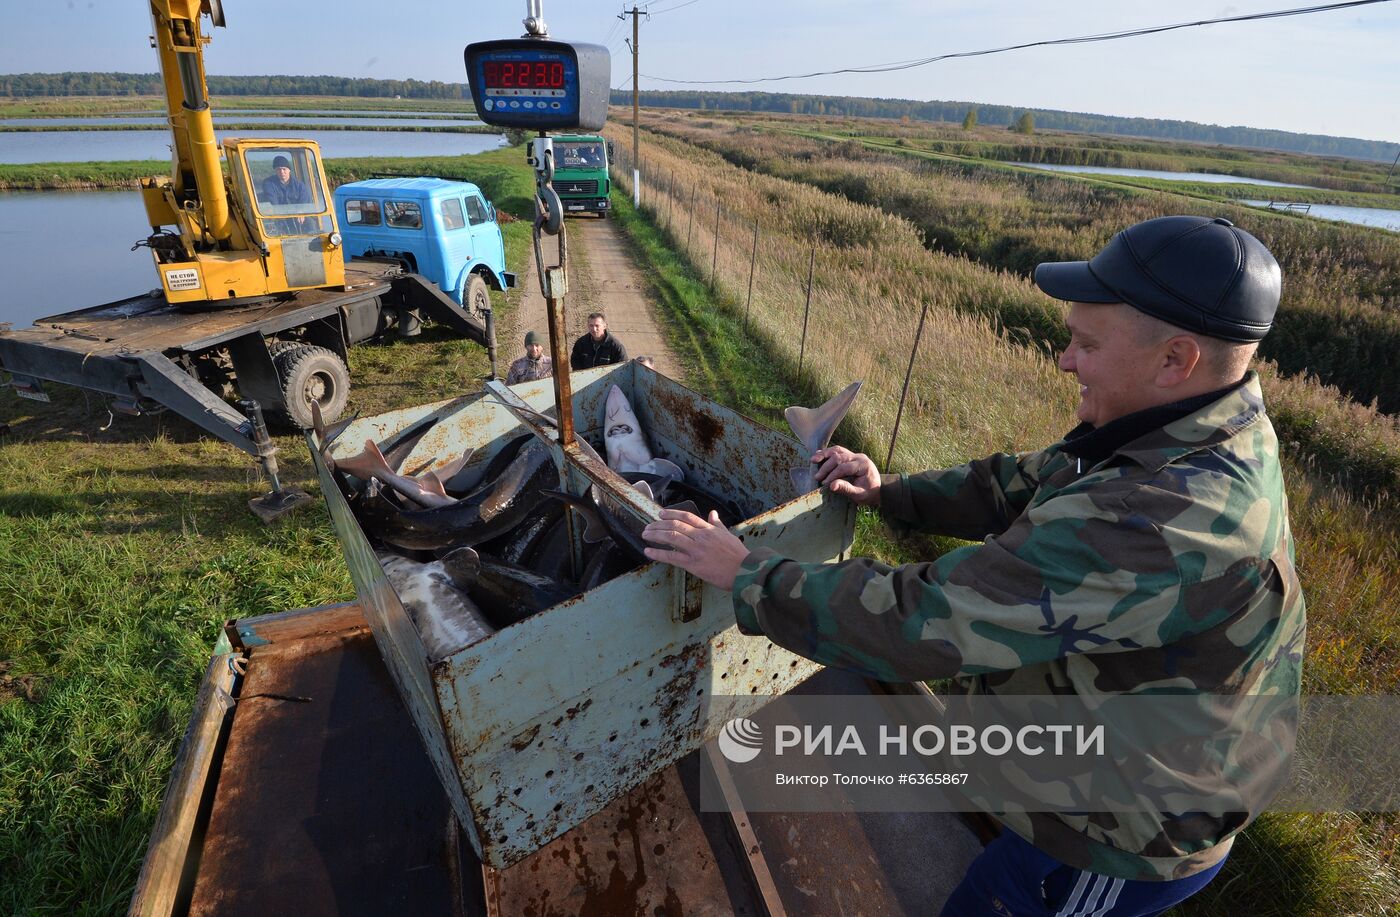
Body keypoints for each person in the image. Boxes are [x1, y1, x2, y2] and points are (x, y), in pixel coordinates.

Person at [642, 216, 1305, 915]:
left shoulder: (1160, 516)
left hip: (1121, 830)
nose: (1064, 360)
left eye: (1086, 343)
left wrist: (748, 573)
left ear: (1175, 360)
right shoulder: (1183, 426)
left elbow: (920, 621)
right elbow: (1021, 481)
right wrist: (890, 491)